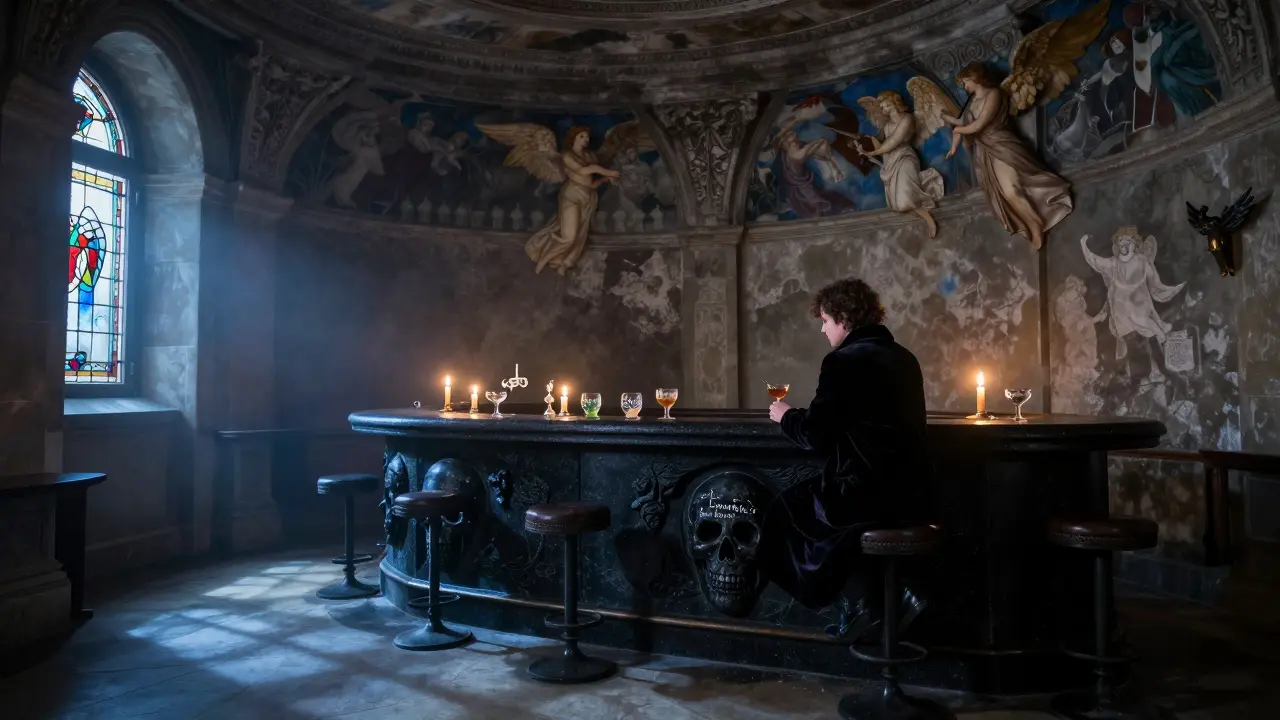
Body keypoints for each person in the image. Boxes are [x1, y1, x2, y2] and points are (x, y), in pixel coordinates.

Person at [760, 276, 933, 640]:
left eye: (824, 321)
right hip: (916, 492)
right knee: (821, 510)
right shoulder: (905, 357)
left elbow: (815, 436)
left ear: (843, 317)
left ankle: (868, 605)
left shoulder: (842, 361)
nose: (823, 331)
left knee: (784, 510)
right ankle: (880, 600)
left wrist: (786, 415)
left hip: (867, 495)